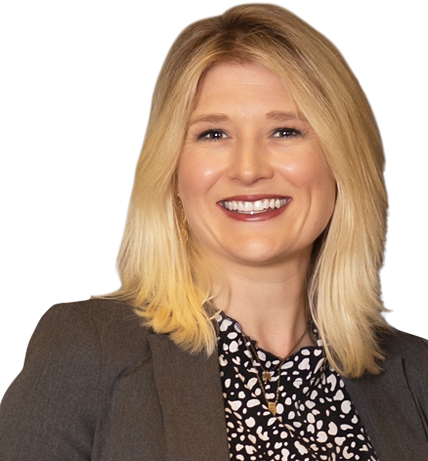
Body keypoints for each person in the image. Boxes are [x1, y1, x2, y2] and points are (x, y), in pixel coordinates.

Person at [1, 2, 427, 460]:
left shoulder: (418, 375)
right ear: (172, 170)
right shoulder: (85, 349)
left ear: (343, 160)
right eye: (213, 134)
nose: (248, 170)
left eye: (285, 131)